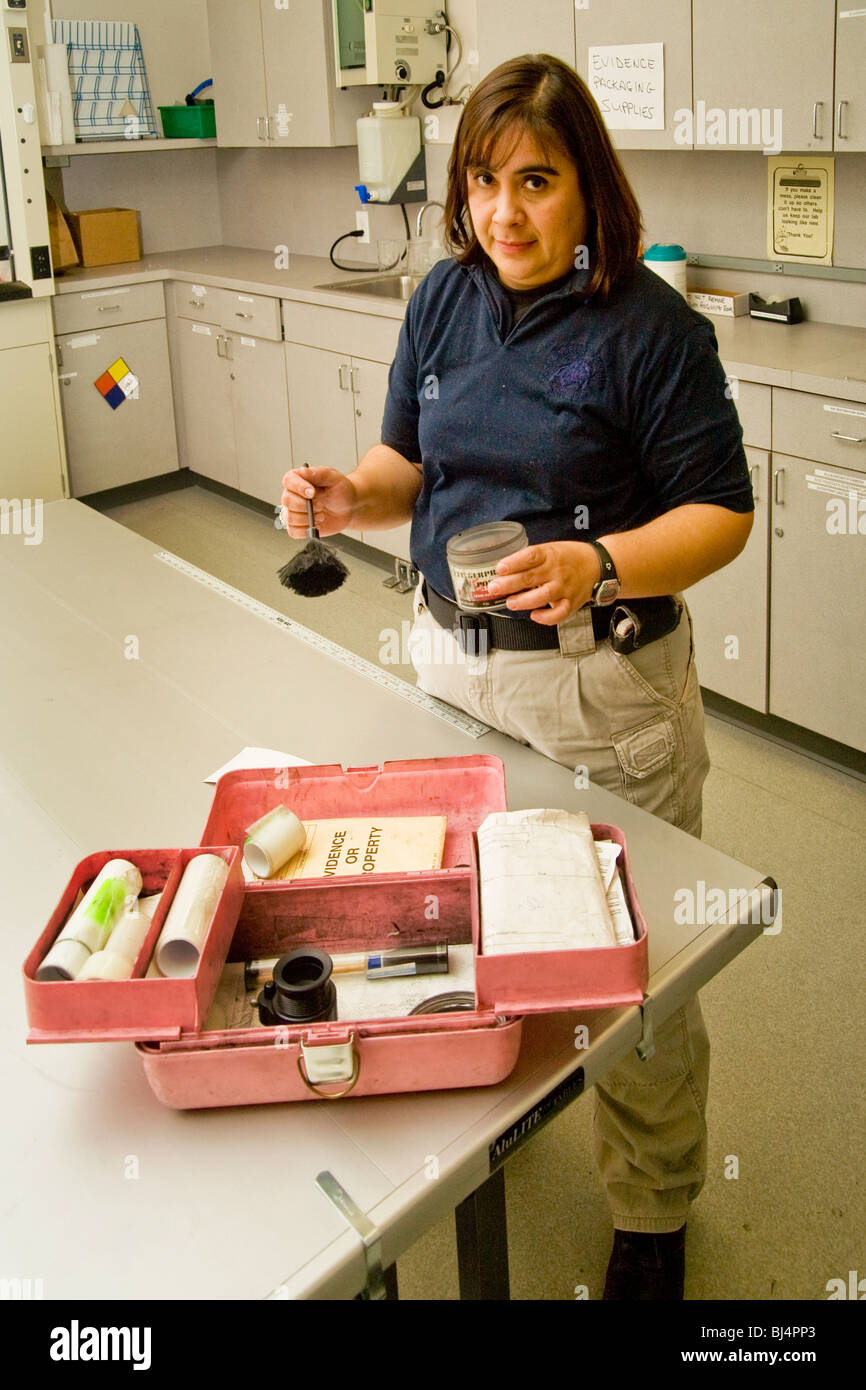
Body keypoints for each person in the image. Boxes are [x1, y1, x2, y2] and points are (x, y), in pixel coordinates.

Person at [282, 53, 754, 1300]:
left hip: (599, 691)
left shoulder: (651, 334)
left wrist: (599, 561)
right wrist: (348, 493)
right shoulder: (443, 300)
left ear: (587, 186)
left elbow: (720, 513)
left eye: (535, 181)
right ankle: (506, 1103)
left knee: (622, 969)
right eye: (484, 182)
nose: (505, 213)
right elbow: (407, 469)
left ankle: (651, 1209)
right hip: (450, 665)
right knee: (478, 927)